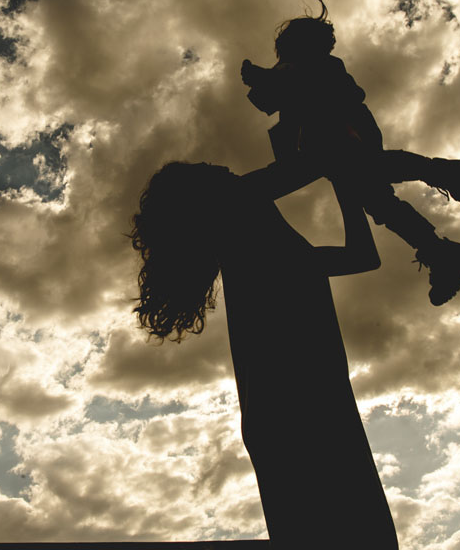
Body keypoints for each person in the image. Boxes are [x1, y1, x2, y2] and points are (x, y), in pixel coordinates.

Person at [131, 161, 398, 548]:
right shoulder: (239, 207)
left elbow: (362, 256)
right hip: (296, 415)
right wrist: (338, 156)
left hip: (306, 412)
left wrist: (344, 182)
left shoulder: (281, 253)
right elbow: (311, 162)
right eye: (207, 169)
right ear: (205, 197)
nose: (222, 166)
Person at [241, 1, 460, 305]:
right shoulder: (299, 80)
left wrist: (264, 78)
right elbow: (286, 123)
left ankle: (450, 178)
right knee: (378, 200)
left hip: (342, 134)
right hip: (340, 139)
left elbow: (295, 84)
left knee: (367, 175)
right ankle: (440, 250)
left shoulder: (313, 67)